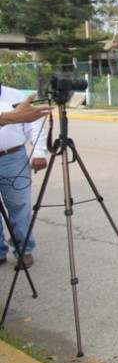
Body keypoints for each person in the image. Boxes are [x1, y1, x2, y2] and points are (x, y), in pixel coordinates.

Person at [0, 89, 52, 268]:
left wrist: (38, 152)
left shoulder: (15, 95)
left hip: (13, 158)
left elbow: (34, 125)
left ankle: (24, 250)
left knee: (19, 207)